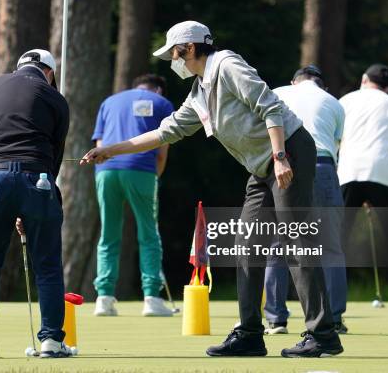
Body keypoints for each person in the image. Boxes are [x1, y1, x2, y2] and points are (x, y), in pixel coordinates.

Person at [81, 21, 343, 358]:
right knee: (247, 244)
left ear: (189, 48)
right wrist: (110, 150)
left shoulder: (227, 65)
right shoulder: (199, 92)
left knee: (294, 240)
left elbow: (270, 106)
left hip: (289, 150)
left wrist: (280, 157)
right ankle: (250, 334)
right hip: (262, 166)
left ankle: (322, 334)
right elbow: (165, 132)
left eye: (174, 54)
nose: (172, 61)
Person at [0, 49, 74, 358]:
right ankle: (52, 341)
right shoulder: (55, 97)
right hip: (36, 177)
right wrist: (34, 202)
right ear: (49, 73)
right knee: (48, 265)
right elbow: (55, 152)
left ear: (19, 67)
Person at [263, 65, 348, 335]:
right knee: (331, 247)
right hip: (322, 166)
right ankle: (333, 318)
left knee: (279, 244)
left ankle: (276, 319)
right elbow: (336, 145)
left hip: (284, 165)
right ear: (321, 85)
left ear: (293, 81)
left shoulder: (277, 93)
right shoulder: (333, 102)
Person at [91, 74, 175, 317]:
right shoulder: (162, 104)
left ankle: (104, 299)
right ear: (158, 90)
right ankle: (151, 298)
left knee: (108, 234)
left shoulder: (110, 101)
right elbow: (162, 150)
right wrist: (155, 178)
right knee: (149, 233)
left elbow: (99, 143)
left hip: (105, 171)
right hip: (142, 170)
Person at [338, 64, 388, 308]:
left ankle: (331, 295)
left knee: (339, 237)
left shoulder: (346, 100)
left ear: (363, 79)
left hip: (348, 171)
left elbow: (336, 138)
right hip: (382, 172)